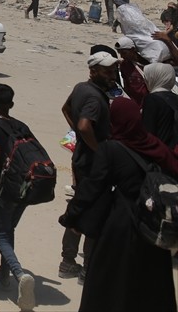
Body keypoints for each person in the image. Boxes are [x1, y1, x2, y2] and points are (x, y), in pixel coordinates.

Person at [60, 98, 178, 312]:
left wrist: (71, 216)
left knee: (109, 282)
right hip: (152, 225)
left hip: (121, 224)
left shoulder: (111, 149)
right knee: (151, 286)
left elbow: (93, 188)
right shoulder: (153, 144)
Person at [57, 50, 118, 280]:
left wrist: (80, 138)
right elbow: (84, 126)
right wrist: (99, 150)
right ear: (93, 71)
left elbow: (66, 109)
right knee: (96, 213)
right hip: (94, 165)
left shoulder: (81, 87)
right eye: (107, 71)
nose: (112, 75)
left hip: (81, 160)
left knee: (78, 207)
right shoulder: (94, 97)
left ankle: (68, 260)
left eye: (113, 70)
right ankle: (87, 268)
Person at [0, 84, 37, 312]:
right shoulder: (22, 125)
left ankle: (18, 274)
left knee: (1, 237)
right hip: (27, 188)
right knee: (9, 230)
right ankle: (3, 276)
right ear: (11, 104)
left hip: (5, 189)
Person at [141, 61, 178, 147]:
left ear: (154, 77)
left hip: (162, 150)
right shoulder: (175, 97)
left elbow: (148, 131)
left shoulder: (152, 99)